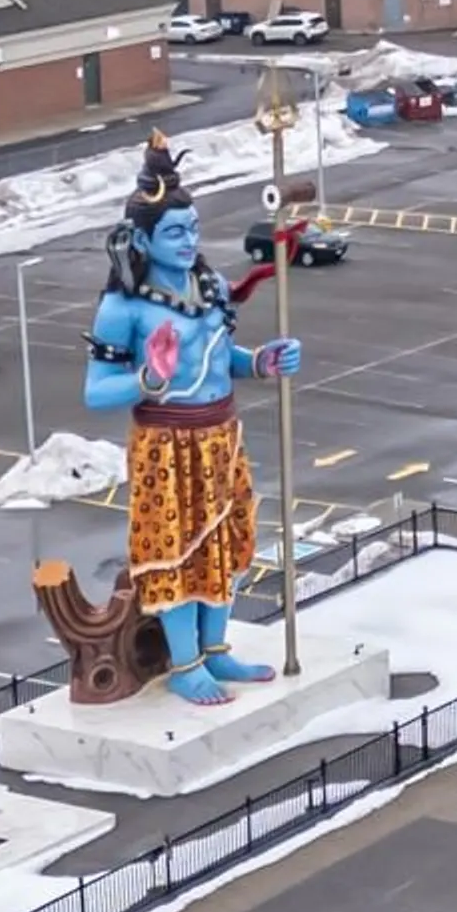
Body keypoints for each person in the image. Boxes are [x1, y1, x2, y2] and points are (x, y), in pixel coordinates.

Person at [84, 133, 303, 705]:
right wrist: (148, 380)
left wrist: (258, 361)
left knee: (227, 544)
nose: (189, 243)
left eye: (194, 230)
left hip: (221, 434)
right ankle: (185, 664)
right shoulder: (122, 308)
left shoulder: (206, 288)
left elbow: (218, 357)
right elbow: (96, 391)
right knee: (174, 552)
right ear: (141, 238)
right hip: (166, 444)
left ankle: (216, 649)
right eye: (175, 233)